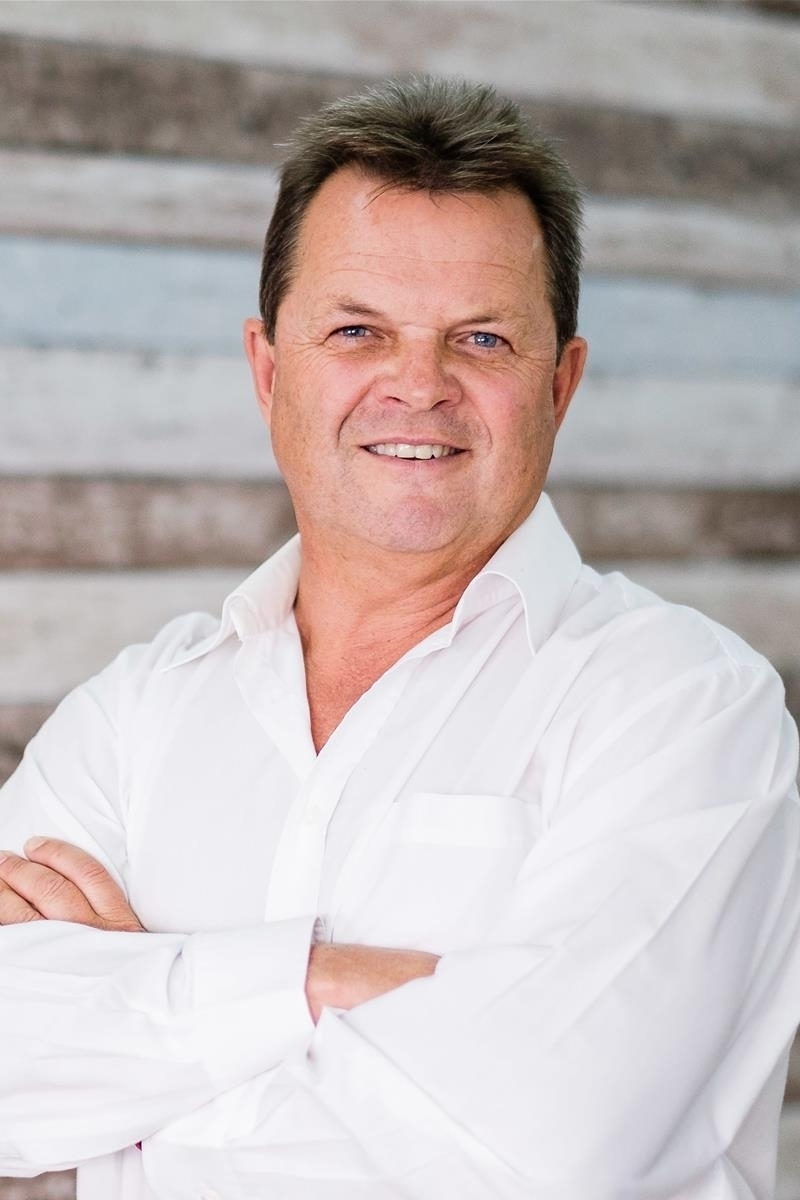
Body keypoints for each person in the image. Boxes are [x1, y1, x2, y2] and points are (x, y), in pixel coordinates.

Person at [0, 75, 798, 1200]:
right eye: (356, 331)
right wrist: (321, 983)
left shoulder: (685, 706)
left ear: (560, 385)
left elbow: (550, 1145)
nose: (417, 386)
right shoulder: (136, 715)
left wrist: (139, 1060)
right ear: (268, 370)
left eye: (481, 338)